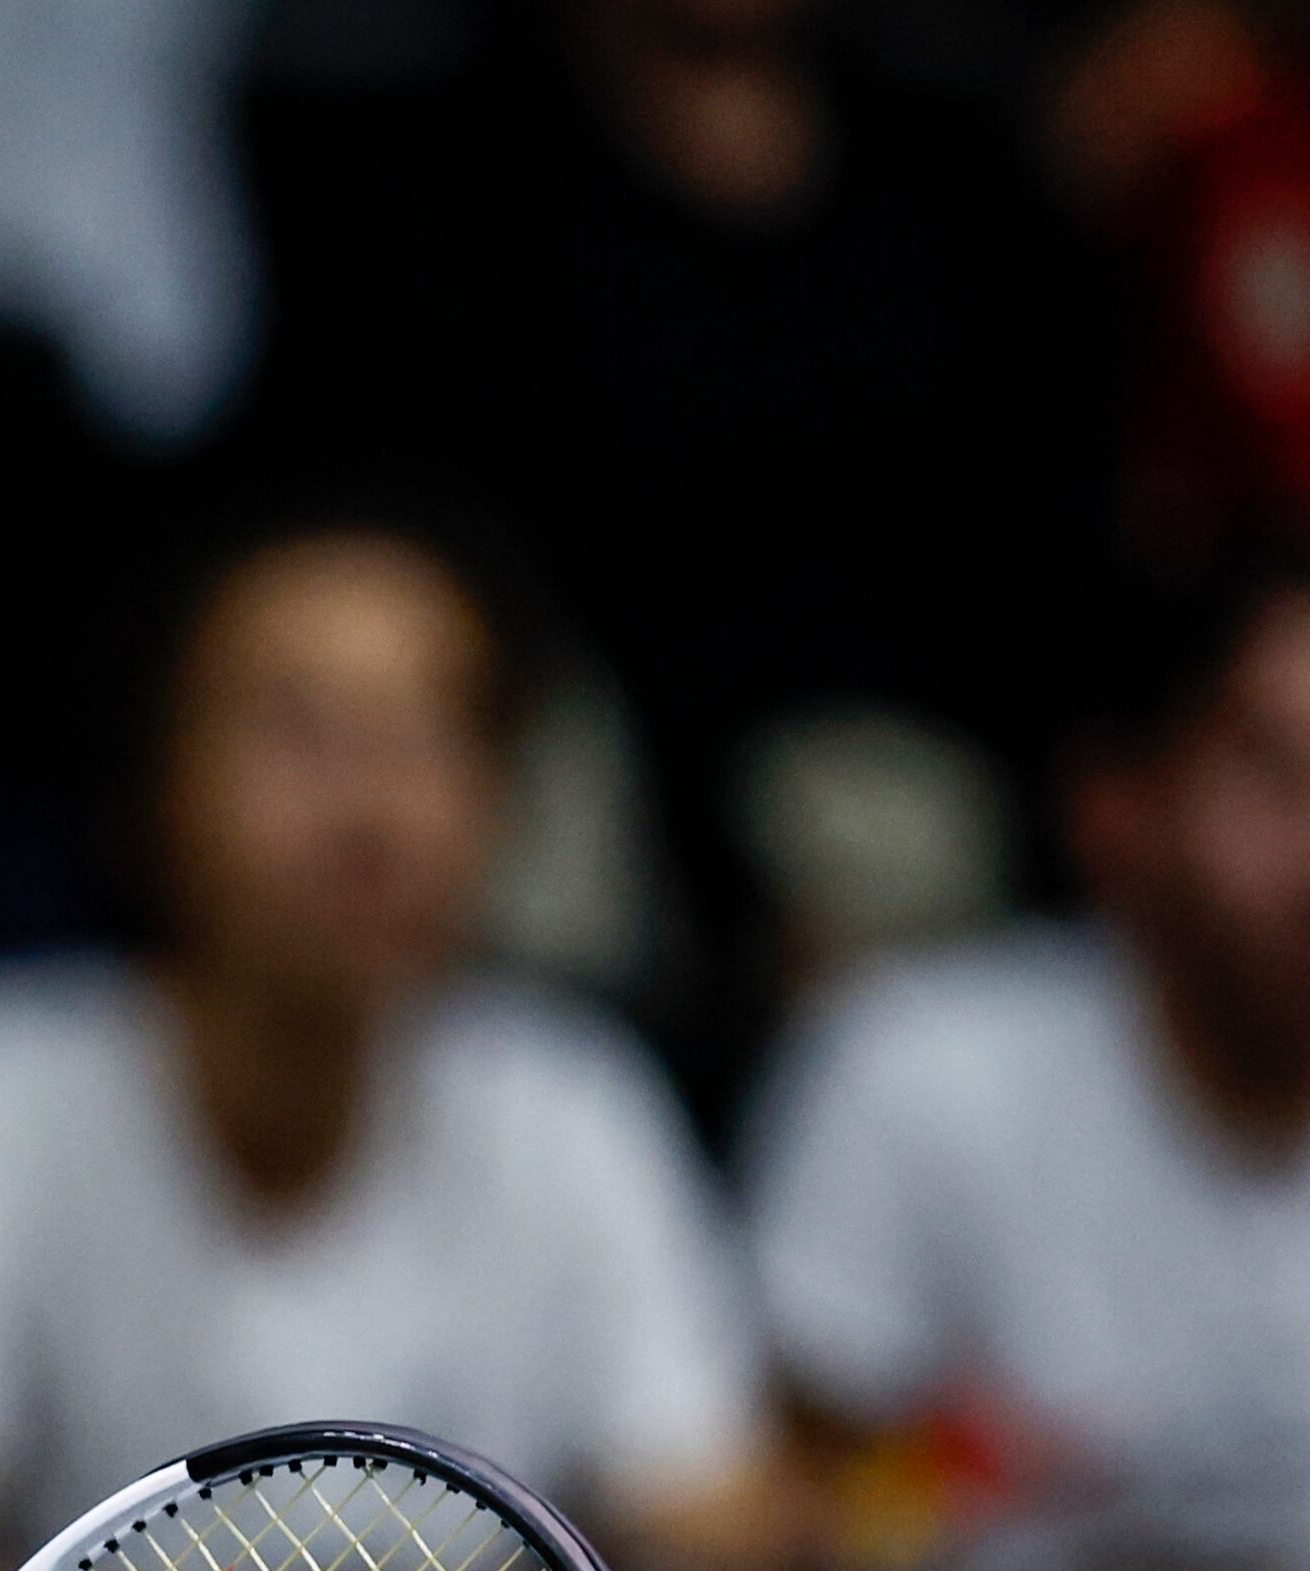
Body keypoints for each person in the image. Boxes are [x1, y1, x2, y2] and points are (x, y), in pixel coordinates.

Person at [0, 521, 783, 1571]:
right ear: (153, 785)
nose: (372, 811)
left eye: (428, 737)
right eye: (299, 734)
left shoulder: (575, 1108)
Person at [231, 0, 1111, 1096]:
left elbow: (1021, 554)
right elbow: (452, 533)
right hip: (579, 711)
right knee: (523, 816)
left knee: (905, 834)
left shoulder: (955, 168)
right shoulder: (431, 159)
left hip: (871, 732)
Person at [749, 565, 1310, 1571]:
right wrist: (934, 1483)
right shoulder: (920, 1067)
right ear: (1117, 806)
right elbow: (789, 1505)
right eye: (1274, 775)